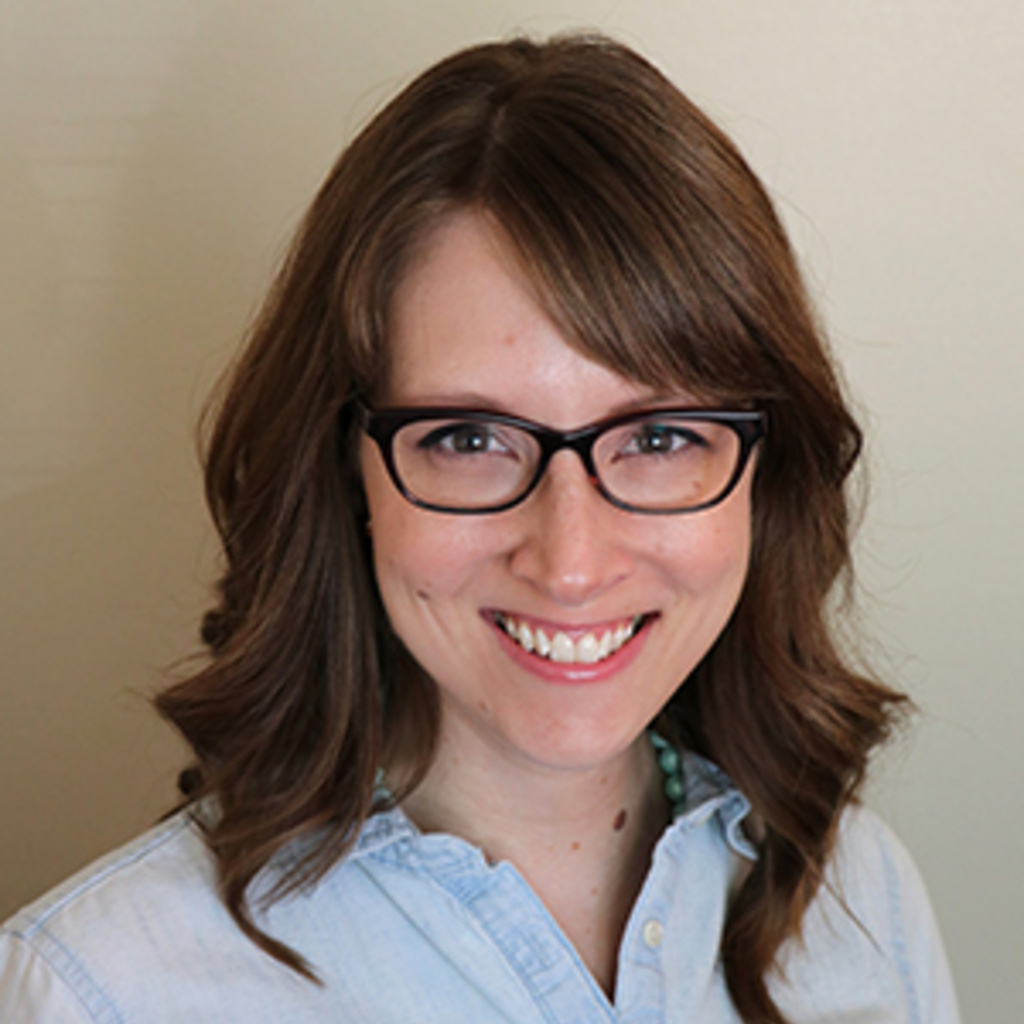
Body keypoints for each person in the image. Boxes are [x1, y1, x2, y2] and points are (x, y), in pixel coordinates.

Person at [0, 34, 959, 1024]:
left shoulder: (862, 905)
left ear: (762, 473)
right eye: (469, 437)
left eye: (661, 435)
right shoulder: (100, 989)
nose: (571, 561)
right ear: (348, 467)